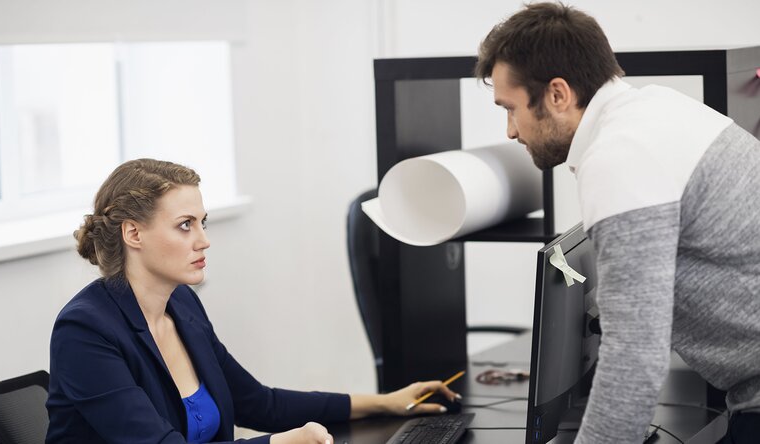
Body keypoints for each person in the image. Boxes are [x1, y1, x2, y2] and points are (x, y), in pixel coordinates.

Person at [475, 3, 760, 444]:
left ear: (557, 94)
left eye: (511, 109)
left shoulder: (618, 158)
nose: (511, 131)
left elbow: (635, 356)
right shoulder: (657, 107)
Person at [46, 158, 460, 443]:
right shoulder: (85, 331)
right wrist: (279, 443)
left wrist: (385, 403)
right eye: (185, 225)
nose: (203, 240)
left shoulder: (182, 304)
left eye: (202, 223)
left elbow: (259, 403)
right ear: (133, 234)